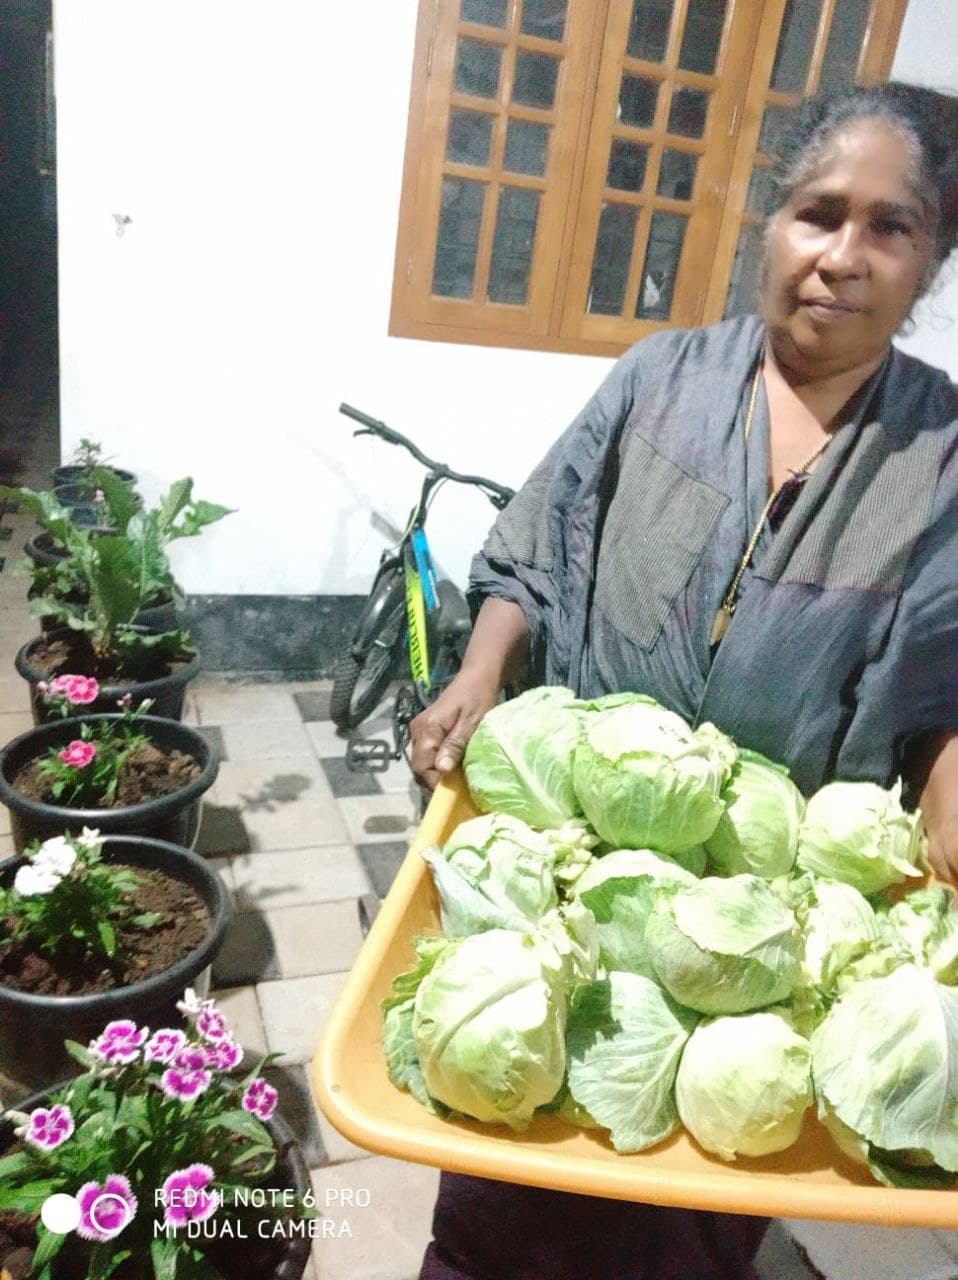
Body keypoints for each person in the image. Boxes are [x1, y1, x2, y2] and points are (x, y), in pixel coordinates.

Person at [409, 81, 958, 1280]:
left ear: (930, 262)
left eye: (890, 227)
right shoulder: (658, 378)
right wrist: (482, 671)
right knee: (512, 1166)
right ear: (770, 222)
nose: (841, 256)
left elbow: (940, 673)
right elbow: (540, 547)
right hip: (580, 872)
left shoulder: (943, 453)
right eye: (818, 213)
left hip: (761, 917)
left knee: (691, 1205)